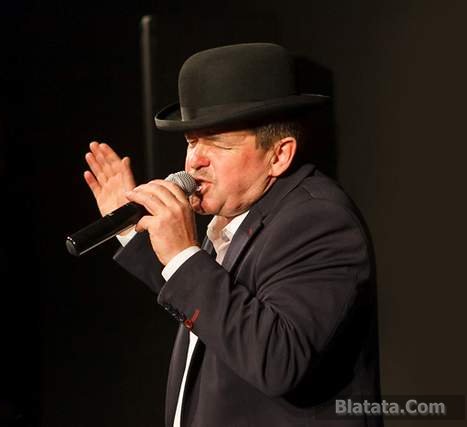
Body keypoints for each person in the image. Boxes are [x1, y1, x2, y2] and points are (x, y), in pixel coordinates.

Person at [82, 43, 382, 427]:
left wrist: (184, 255)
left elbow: (277, 359)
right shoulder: (242, 210)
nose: (194, 161)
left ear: (279, 155)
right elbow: (216, 312)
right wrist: (132, 230)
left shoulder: (318, 221)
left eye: (218, 143)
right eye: (191, 141)